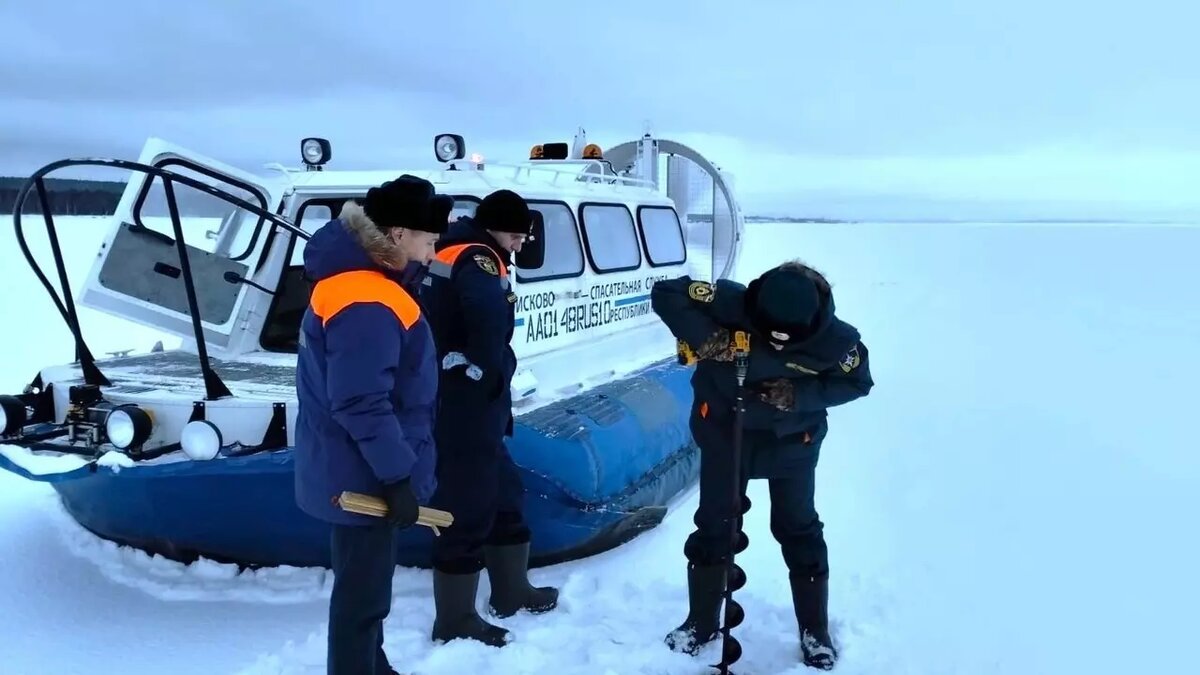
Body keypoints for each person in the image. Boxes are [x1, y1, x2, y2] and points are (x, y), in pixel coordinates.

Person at [650, 260, 874, 670]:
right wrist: (709, 338)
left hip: (791, 445)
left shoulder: (838, 342)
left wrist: (798, 394)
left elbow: (858, 383)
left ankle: (814, 631)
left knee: (797, 527)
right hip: (723, 434)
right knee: (716, 524)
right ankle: (700, 623)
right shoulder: (730, 301)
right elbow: (666, 292)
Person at [293, 175, 447, 675]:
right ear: (398, 235)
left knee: (367, 590)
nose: (432, 252)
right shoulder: (368, 298)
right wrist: (398, 477)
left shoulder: (361, 284)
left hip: (358, 467)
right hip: (366, 475)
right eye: (428, 240)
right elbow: (361, 401)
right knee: (362, 599)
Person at [420, 188, 558, 647]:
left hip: (474, 404)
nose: (519, 245)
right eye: (516, 236)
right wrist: (484, 371)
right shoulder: (480, 257)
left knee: (504, 491)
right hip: (467, 405)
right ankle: (455, 618)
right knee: (466, 504)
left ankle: (511, 590)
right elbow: (485, 318)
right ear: (495, 228)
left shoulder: (454, 246)